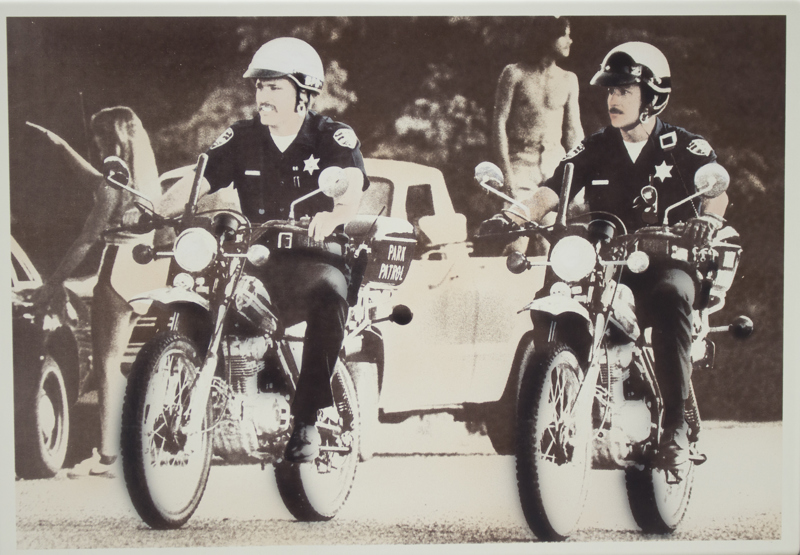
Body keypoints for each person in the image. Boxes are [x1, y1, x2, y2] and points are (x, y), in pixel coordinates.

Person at [145, 37, 368, 463]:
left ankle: (307, 420)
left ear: (304, 94)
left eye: (274, 88)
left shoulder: (330, 137)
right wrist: (154, 211)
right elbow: (200, 179)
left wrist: (335, 216)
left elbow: (352, 185)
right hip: (256, 257)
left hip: (313, 255)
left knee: (329, 293)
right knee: (194, 288)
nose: (261, 96)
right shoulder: (243, 137)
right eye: (259, 87)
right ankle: (183, 394)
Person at [516, 42, 729, 468]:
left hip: (664, 261)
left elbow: (717, 191)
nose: (612, 99)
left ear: (651, 98)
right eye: (610, 90)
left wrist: (708, 219)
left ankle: (674, 427)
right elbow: (550, 189)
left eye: (624, 91)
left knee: (671, 298)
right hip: (605, 258)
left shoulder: (683, 146)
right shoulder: (596, 147)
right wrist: (515, 212)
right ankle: (559, 387)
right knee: (556, 286)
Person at [30, 107, 165, 477]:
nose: (96, 145)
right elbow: (96, 181)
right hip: (145, 269)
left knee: (105, 366)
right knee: (115, 362)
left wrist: (53, 281)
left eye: (100, 138)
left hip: (116, 269)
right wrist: (61, 146)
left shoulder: (113, 185)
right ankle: (120, 446)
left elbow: (86, 239)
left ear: (113, 139)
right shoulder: (144, 182)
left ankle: (109, 456)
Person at [492, 17, 584, 253]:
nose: (570, 40)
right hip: (521, 163)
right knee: (516, 240)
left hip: (555, 163)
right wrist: (507, 174)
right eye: (564, 34)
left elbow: (574, 131)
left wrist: (580, 174)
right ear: (547, 37)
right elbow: (499, 124)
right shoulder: (515, 74)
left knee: (551, 243)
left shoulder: (569, 79)